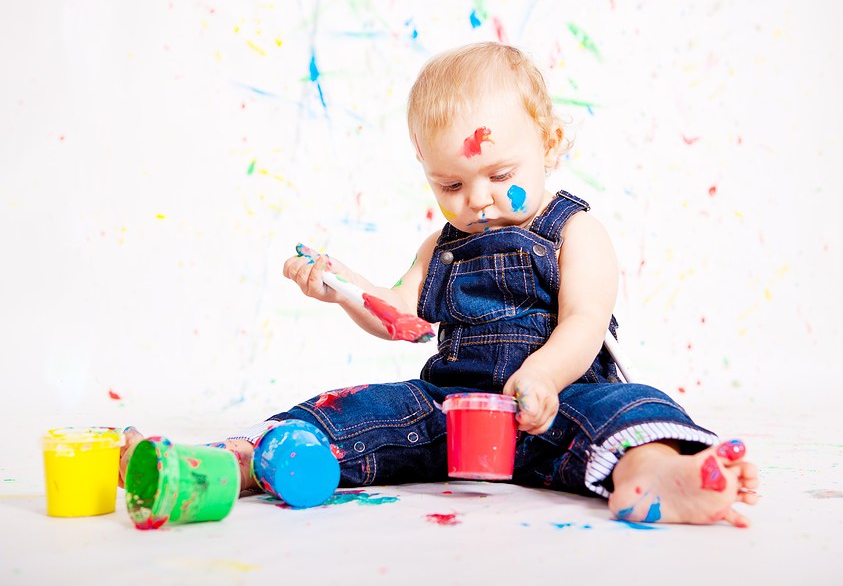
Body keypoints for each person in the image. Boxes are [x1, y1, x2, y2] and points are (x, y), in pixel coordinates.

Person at [121, 42, 758, 527]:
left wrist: (543, 377)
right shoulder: (442, 246)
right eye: (450, 185)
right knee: (363, 410)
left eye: (496, 173)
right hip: (451, 406)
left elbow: (586, 321)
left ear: (550, 142)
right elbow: (399, 315)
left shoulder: (575, 228)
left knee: (627, 410)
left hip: (556, 401)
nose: (476, 200)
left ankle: (660, 476)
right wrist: (340, 285)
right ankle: (236, 463)